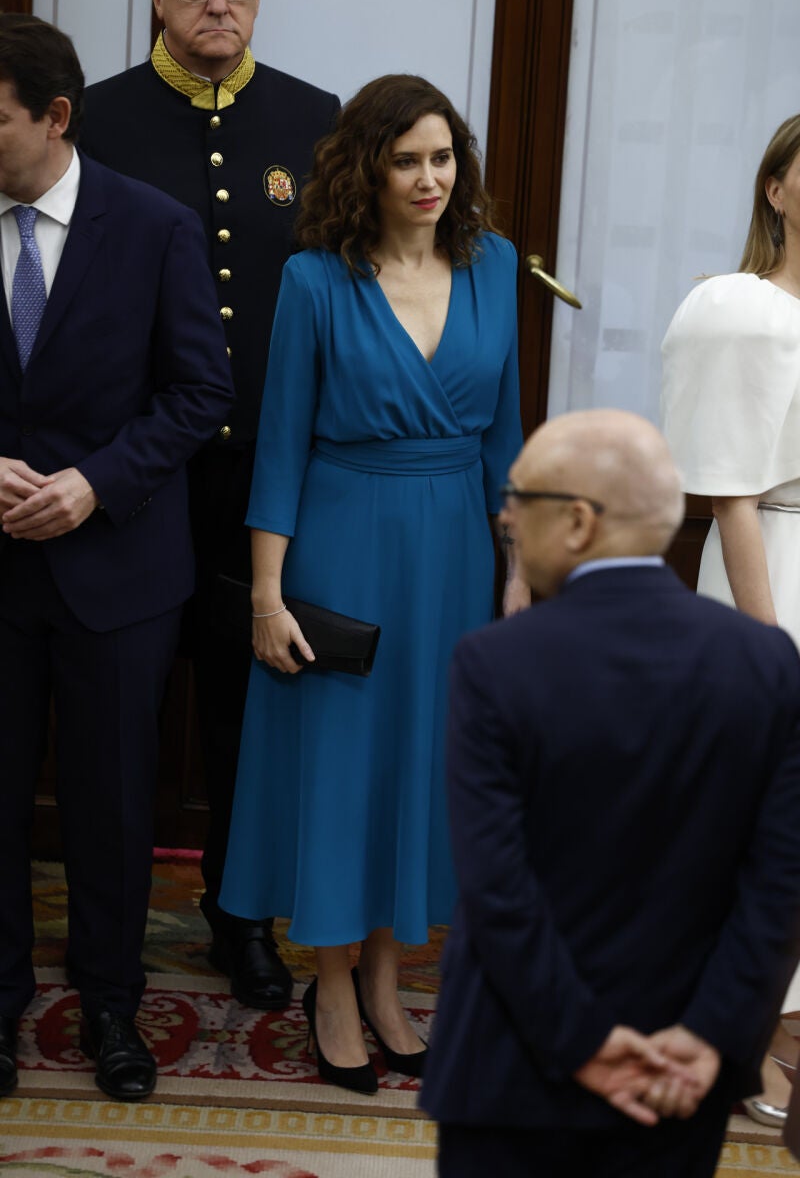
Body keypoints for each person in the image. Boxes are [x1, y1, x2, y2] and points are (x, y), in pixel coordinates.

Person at [217, 74, 528, 1094]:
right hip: (340, 544)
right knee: (343, 772)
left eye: (443, 157)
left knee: (421, 770)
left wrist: (517, 580)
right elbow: (278, 450)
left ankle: (394, 980)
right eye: (408, 160)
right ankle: (335, 984)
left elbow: (504, 445)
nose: (430, 177)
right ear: (368, 168)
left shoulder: (492, 271)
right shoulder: (315, 280)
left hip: (453, 555)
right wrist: (266, 595)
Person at [420, 408, 800, 1177]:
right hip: (678, 1077)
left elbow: (498, 889)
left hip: (514, 1065)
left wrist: (581, 1040)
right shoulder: (766, 662)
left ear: (579, 521)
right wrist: (711, 1035)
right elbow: (781, 882)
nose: (505, 516)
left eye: (518, 500)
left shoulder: (498, 663)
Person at [79, 0, 339, 1012]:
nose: (218, 4)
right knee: (121, 712)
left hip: (261, 477)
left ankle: (240, 918)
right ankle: (113, 926)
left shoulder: (314, 122)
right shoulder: (93, 118)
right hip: (133, 474)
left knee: (247, 708)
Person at [0, 14, 233, 1102]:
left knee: (113, 806)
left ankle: (108, 1005)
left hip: (122, 572)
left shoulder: (156, 226)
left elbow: (199, 394)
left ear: (54, 117)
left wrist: (94, 484)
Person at [662, 113, 800, 1125]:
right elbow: (729, 496)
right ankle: (749, 1040)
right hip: (776, 567)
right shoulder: (740, 311)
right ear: (775, 190)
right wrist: (768, 651)